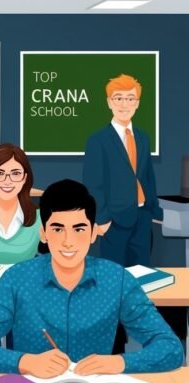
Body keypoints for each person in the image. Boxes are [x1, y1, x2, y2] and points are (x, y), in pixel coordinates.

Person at [0, 179, 182, 377]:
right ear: (43, 234)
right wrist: (26, 362)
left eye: (79, 229)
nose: (68, 241)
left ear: (94, 233)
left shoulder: (118, 279)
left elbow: (171, 347)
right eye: (57, 230)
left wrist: (120, 362)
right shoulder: (16, 278)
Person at [83, 74, 162, 266]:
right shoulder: (98, 140)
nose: (124, 104)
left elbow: (147, 175)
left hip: (142, 216)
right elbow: (93, 183)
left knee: (142, 271)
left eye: (130, 99)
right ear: (109, 102)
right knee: (114, 273)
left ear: (137, 103)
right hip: (114, 221)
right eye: (118, 98)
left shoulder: (143, 137)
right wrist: (102, 220)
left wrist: (153, 210)